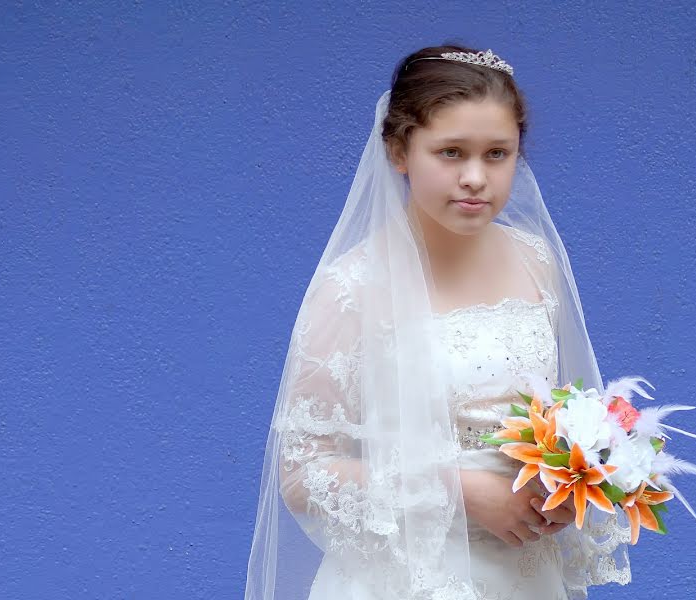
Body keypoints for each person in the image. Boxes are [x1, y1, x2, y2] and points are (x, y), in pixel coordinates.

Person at [244, 44, 632, 600]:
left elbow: (553, 409)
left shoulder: (535, 260)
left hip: (524, 571)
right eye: (451, 152)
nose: (475, 177)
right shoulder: (351, 288)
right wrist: (459, 491)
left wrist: (570, 478)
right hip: (410, 577)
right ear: (399, 151)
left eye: (497, 154)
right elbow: (303, 475)